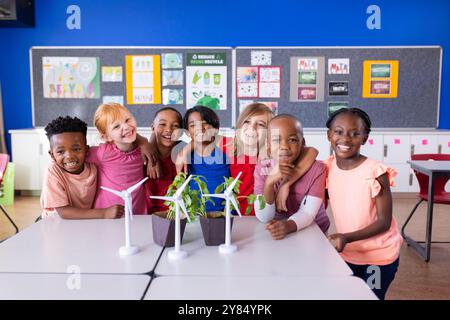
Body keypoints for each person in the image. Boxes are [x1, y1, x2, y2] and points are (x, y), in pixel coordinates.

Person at [325, 107, 402, 300]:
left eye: (355, 133)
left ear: (365, 138)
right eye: (339, 132)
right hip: (348, 253)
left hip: (378, 257)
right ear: (329, 135)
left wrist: (346, 238)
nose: (345, 139)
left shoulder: (376, 172)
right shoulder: (328, 167)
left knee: (370, 297)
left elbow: (384, 222)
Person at [227, 103, 318, 215]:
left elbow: (312, 151)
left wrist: (286, 184)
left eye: (260, 124)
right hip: (236, 218)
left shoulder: (272, 155)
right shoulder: (228, 148)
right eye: (247, 121)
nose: (251, 127)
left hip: (265, 216)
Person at [254, 114, 330, 238]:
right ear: (268, 147)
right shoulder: (263, 168)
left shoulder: (317, 169)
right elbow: (264, 217)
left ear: (302, 143)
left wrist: (287, 226)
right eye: (276, 140)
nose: (284, 146)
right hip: (276, 229)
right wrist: (269, 183)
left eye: (292, 140)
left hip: (314, 230)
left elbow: (308, 213)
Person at [40, 116, 124, 219]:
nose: (69, 156)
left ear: (87, 150)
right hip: (55, 222)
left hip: (85, 220)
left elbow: (121, 149)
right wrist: (104, 213)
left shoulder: (93, 163)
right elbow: (63, 212)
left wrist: (143, 143)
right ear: (52, 155)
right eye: (60, 151)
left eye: (76, 149)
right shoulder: (53, 170)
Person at [87, 103, 148, 214]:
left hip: (137, 214)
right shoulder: (103, 153)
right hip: (108, 216)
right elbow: (78, 156)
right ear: (106, 137)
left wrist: (144, 143)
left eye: (128, 120)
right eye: (116, 126)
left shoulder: (142, 150)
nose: (126, 127)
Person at [181, 105, 230, 213]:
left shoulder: (227, 150)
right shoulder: (186, 156)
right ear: (188, 132)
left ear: (216, 127)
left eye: (205, 123)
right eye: (193, 125)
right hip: (195, 215)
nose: (200, 128)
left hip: (225, 216)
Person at [144, 107, 183, 214]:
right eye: (162, 124)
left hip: (175, 220)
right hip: (143, 219)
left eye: (175, 126)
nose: (169, 130)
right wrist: (151, 155)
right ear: (153, 127)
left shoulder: (184, 156)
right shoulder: (142, 154)